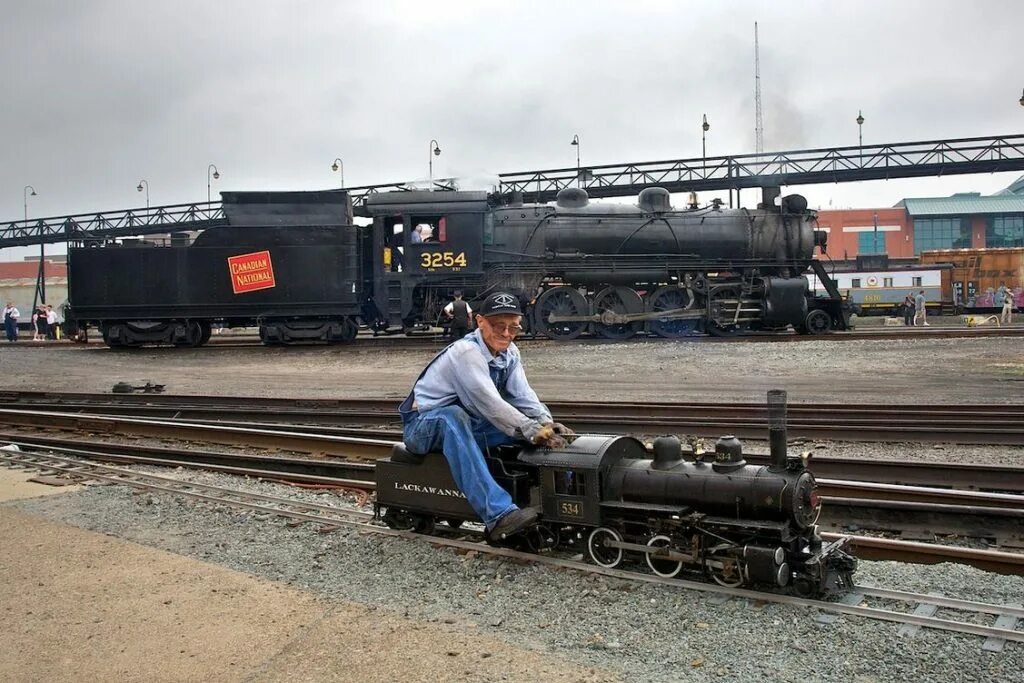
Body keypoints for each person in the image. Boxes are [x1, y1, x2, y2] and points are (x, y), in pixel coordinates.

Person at [399, 292, 572, 540]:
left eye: (513, 327)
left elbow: (523, 395)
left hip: (469, 424)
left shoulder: (510, 352)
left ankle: (562, 502)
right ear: (480, 322)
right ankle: (498, 515)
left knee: (538, 432)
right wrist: (531, 428)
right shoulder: (466, 353)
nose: (506, 333)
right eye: (498, 326)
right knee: (453, 416)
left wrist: (546, 423)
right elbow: (489, 403)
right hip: (422, 428)